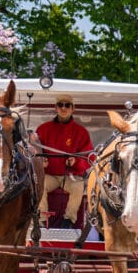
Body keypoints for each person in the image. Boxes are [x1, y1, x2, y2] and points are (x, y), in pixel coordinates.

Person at [36, 93, 93, 228]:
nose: (63, 108)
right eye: (60, 105)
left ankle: (68, 220)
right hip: (50, 176)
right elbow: (34, 150)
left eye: (67, 105)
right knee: (39, 183)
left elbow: (89, 156)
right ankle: (42, 220)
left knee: (79, 186)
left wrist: (76, 162)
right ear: (55, 108)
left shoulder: (81, 132)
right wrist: (41, 160)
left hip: (69, 177)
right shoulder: (43, 129)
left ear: (73, 108)